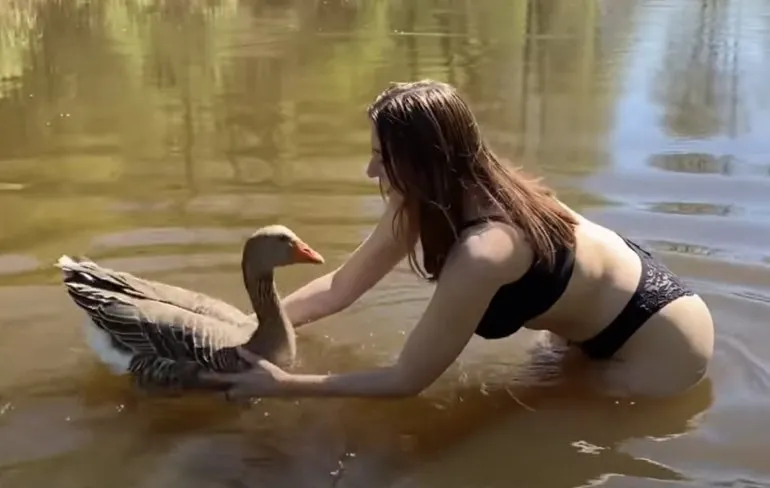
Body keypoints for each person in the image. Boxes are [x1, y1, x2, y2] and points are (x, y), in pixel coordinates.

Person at [203, 80, 715, 399]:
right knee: (542, 394)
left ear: (426, 160)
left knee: (552, 427)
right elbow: (341, 288)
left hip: (662, 343)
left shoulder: (485, 250)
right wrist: (252, 330)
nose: (368, 171)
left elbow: (406, 380)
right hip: (597, 316)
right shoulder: (425, 195)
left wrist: (285, 387)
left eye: (382, 158)